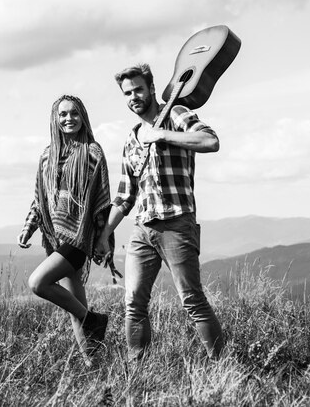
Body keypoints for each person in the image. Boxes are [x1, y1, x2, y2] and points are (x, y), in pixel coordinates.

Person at [95, 63, 224, 360]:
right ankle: (138, 372)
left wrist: (163, 136)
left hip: (177, 222)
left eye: (138, 89)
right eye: (127, 93)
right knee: (133, 303)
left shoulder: (176, 113)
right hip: (143, 228)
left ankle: (223, 367)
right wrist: (104, 235)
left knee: (192, 301)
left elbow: (210, 141)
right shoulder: (131, 139)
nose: (133, 96)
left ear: (152, 88)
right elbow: (125, 196)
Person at [18, 94, 113, 355]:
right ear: (55, 119)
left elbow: (101, 199)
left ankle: (94, 319)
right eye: (63, 114)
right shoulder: (47, 156)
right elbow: (41, 198)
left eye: (74, 113)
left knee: (38, 283)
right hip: (57, 238)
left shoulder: (93, 152)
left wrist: (103, 238)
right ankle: (93, 366)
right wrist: (29, 227)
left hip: (79, 237)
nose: (68, 118)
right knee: (74, 308)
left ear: (83, 117)